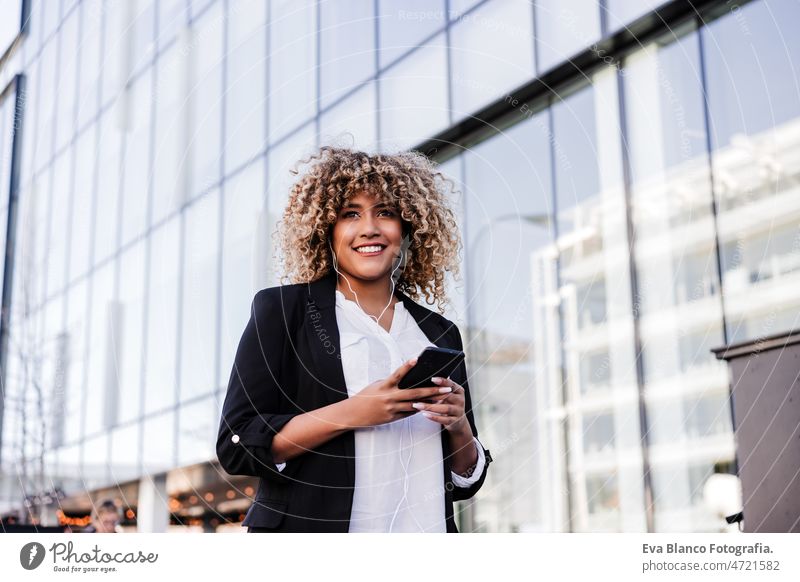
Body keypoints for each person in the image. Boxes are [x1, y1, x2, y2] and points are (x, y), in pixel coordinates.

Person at [216, 146, 492, 533]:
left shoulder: (439, 331)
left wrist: (459, 427)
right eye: (350, 214)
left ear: (408, 227)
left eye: (385, 212)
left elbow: (465, 480)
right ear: (325, 229)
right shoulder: (283, 311)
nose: (370, 228)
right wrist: (354, 412)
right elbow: (237, 443)